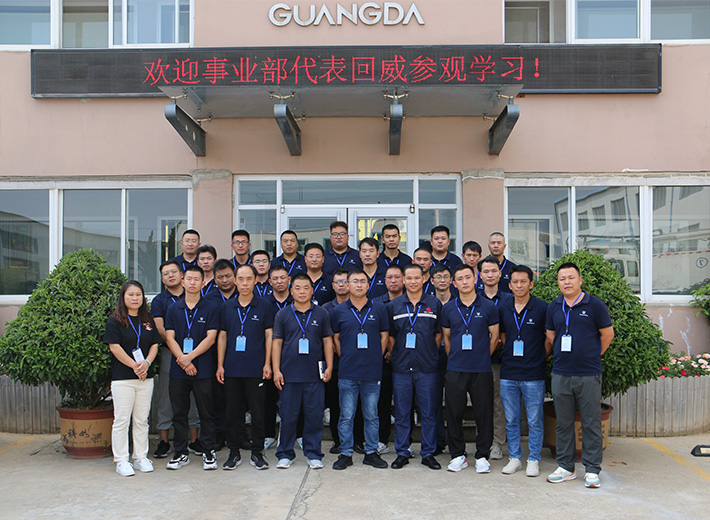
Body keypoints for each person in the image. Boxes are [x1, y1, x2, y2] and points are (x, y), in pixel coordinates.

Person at [545, 262, 614, 489]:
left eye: (571, 277)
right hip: (561, 373)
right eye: (562, 278)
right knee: (563, 423)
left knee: (591, 423)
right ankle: (566, 467)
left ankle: (592, 469)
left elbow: (607, 334)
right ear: (558, 282)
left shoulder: (595, 305)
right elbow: (551, 334)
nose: (567, 282)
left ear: (580, 280)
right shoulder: (554, 306)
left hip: (588, 374)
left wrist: (591, 355)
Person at [272, 273, 334, 469]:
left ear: (312, 290)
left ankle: (313, 453)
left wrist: (329, 366)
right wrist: (276, 370)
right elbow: (277, 343)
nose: (301, 291)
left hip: (314, 375)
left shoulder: (322, 313)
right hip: (289, 374)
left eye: (306, 287)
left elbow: (327, 341)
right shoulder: (283, 314)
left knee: (314, 416)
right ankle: (285, 453)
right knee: (288, 416)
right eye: (297, 288)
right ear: (291, 291)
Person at [442, 264, 499, 474]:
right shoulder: (448, 308)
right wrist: (456, 358)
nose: (465, 281)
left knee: (484, 413)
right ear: (454, 283)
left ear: (476, 279)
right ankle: (458, 455)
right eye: (460, 278)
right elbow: (447, 339)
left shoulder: (488, 306)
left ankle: (482, 455)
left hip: (481, 368)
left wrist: (482, 356)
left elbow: (495, 337)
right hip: (455, 368)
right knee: (454, 412)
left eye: (468, 277)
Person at [330, 269, 389, 470]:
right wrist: (344, 355)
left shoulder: (379, 309)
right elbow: (335, 337)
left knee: (371, 415)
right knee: (346, 415)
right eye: (355, 281)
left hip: (372, 371)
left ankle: (371, 452)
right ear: (347, 285)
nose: (359, 285)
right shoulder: (339, 310)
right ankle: (345, 453)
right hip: (348, 371)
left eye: (363, 281)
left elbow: (384, 336)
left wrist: (376, 356)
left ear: (368, 285)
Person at [216, 264, 273, 470]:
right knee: (232, 412)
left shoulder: (264, 305)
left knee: (258, 412)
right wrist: (220, 365)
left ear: (255, 280)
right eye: (240, 279)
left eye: (249, 279)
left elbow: (269, 335)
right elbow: (222, 337)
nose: (245, 283)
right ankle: (234, 452)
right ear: (235, 281)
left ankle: (257, 452)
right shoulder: (227, 307)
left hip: (256, 368)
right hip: (232, 368)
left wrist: (267, 363)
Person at [164, 265, 220, 470]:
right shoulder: (173, 308)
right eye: (189, 279)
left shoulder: (211, 307)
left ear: (203, 283)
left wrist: (190, 358)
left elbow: (211, 338)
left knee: (206, 412)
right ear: (183, 281)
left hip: (203, 368)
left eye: (197, 279)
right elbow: (169, 337)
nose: (193, 283)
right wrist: (183, 359)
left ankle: (208, 451)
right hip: (178, 370)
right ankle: (180, 452)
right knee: (179, 413)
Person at [387, 264, 443, 470]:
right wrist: (398, 354)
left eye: (416, 278)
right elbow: (390, 337)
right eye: (408, 278)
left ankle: (428, 453)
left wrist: (428, 352)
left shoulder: (434, 304)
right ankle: (402, 452)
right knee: (402, 413)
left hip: (427, 368)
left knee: (428, 413)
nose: (412, 281)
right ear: (403, 280)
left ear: (424, 279)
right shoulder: (394, 306)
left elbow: (438, 335)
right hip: (401, 368)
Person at [498, 265, 550, 477]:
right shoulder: (503, 307)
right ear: (509, 285)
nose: (519, 285)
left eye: (523, 281)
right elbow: (502, 336)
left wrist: (539, 358)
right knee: (511, 419)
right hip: (509, 373)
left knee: (534, 420)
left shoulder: (542, 308)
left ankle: (534, 459)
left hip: (533, 374)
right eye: (515, 282)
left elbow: (548, 339)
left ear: (531, 284)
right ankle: (514, 458)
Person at [104, 280, 160, 477]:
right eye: (131, 294)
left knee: (141, 420)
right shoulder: (115, 321)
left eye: (138, 294)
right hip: (123, 378)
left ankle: (140, 457)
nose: (135, 298)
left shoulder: (148, 320)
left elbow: (154, 345)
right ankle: (121, 460)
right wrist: (134, 365)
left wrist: (146, 363)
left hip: (145, 378)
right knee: (122, 420)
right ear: (123, 297)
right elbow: (114, 347)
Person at [151, 260, 200, 460]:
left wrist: (190, 356)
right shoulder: (159, 301)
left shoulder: (195, 296)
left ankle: (194, 439)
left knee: (194, 395)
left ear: (182, 275)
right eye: (166, 274)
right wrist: (180, 355)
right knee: (166, 395)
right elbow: (161, 330)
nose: (170, 276)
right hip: (171, 353)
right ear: (162, 279)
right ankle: (164, 441)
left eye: (174, 272)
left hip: (195, 353)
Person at [477, 255, 514, 460]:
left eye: (493, 271)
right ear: (480, 275)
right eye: (486, 271)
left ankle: (497, 443)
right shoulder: (473, 298)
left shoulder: (509, 299)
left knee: (499, 404)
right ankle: (482, 440)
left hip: (501, 360)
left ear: (500, 274)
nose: (490, 275)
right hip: (477, 361)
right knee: (481, 403)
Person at [371, 264, 405, 454]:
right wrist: (385, 350)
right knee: (382, 403)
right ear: (384, 281)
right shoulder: (376, 303)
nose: (393, 281)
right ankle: (381, 440)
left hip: (407, 360)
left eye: (397, 277)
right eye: (389, 277)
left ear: (404, 280)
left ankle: (405, 442)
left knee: (404, 403)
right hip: (382, 360)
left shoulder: (410, 301)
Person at [263, 265, 293, 449]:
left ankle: (297, 434)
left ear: (289, 280)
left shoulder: (297, 299)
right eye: (275, 278)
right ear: (270, 282)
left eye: (283, 278)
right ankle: (269, 434)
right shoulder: (265, 303)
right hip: (269, 354)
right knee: (269, 397)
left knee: (295, 397)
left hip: (293, 355)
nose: (279, 281)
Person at [321, 269, 351, 454]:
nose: (342, 285)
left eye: (345, 281)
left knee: (355, 405)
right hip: (335, 364)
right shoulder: (326, 309)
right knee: (335, 404)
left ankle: (356, 439)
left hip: (355, 363)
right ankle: (338, 440)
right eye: (338, 282)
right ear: (332, 285)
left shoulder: (358, 306)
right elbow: (326, 337)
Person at [431, 264, 453, 455]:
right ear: (432, 281)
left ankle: (454, 442)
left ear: (451, 280)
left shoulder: (458, 302)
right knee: (434, 400)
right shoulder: (428, 303)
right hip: (433, 357)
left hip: (455, 357)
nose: (442, 280)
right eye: (438, 277)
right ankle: (438, 441)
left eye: (446, 276)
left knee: (454, 402)